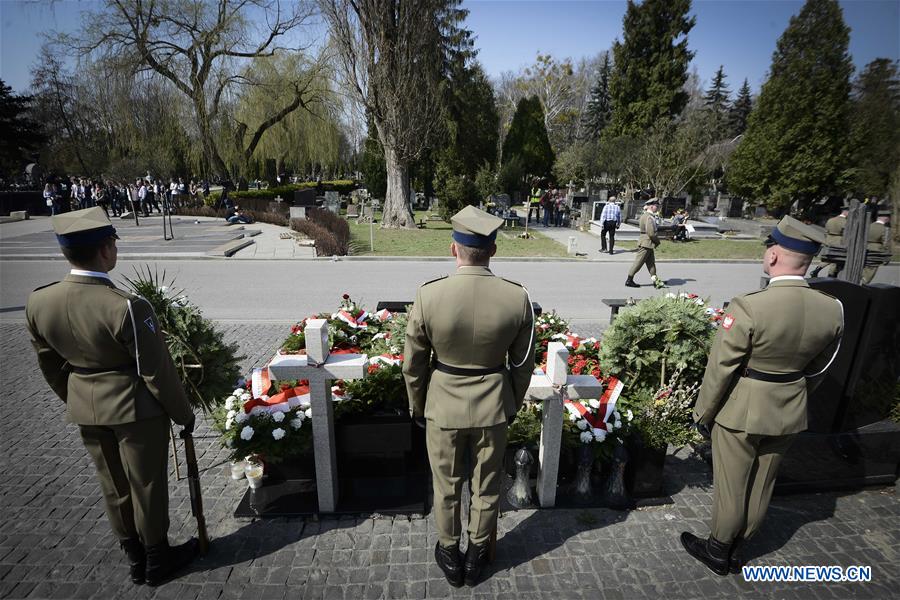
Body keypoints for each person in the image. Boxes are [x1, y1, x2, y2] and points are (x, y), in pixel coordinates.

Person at [25, 207, 200, 586]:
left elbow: (51, 366)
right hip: (135, 410)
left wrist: (77, 397)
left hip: (87, 409)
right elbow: (157, 372)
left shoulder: (39, 302)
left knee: (113, 485)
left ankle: (134, 557)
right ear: (106, 250)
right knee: (146, 484)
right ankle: (157, 557)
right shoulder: (126, 305)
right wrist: (183, 414)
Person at [681, 215, 843, 576]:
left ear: (773, 256)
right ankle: (742, 544)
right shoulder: (832, 308)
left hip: (742, 409)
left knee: (732, 483)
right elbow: (819, 369)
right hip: (789, 406)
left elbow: (720, 368)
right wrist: (795, 393)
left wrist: (702, 414)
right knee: (763, 480)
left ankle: (718, 549)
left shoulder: (750, 306)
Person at [403, 205, 535, 588]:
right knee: (487, 484)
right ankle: (477, 552)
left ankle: (449, 551)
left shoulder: (429, 296)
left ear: (453, 249)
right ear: (493, 251)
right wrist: (510, 402)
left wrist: (418, 404)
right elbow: (523, 364)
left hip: (442, 405)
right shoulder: (517, 297)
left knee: (446, 486)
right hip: (493, 405)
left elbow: (412, 364)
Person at [626, 197, 663, 288]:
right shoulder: (649, 217)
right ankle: (629, 280)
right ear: (651, 206)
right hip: (647, 242)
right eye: (656, 206)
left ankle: (655, 281)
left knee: (651, 264)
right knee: (638, 262)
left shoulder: (645, 216)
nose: (657, 207)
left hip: (647, 242)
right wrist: (657, 241)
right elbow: (651, 233)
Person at [812, 204, 848, 278]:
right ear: (846, 212)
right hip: (838, 241)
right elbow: (846, 233)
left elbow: (826, 231)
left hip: (829, 240)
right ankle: (830, 275)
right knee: (835, 260)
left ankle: (816, 270)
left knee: (827, 258)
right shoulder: (845, 222)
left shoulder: (831, 220)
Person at [861, 209, 892, 284]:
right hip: (875, 253)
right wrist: (886, 258)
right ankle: (861, 288)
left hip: (864, 250)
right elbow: (886, 244)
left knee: (862, 270)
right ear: (886, 218)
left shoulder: (869, 226)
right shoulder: (885, 229)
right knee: (869, 274)